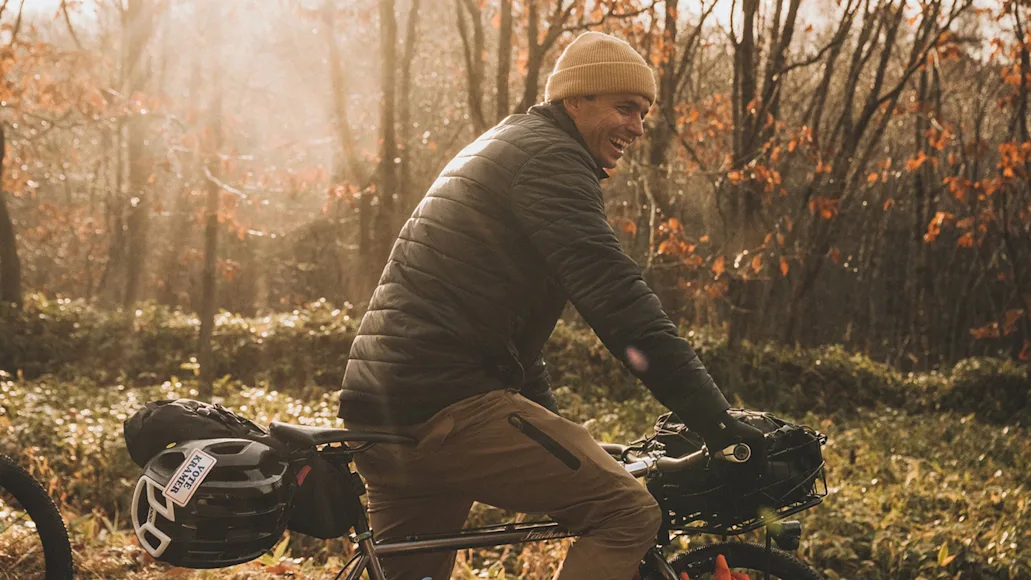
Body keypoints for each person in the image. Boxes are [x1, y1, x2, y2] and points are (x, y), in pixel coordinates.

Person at [338, 31, 765, 580]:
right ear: (576, 100)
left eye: (643, 113)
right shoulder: (550, 161)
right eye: (625, 107)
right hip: (446, 408)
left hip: (385, 410)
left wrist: (562, 432)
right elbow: (618, 301)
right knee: (627, 513)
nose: (638, 127)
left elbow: (514, 342)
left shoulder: (514, 145)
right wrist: (716, 422)